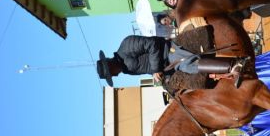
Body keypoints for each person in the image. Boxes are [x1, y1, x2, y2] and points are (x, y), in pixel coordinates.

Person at [96, 35, 242, 87]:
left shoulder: (126, 45)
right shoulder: (127, 71)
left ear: (109, 65)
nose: (115, 76)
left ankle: (233, 65)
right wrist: (160, 77)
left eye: (111, 74)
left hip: (168, 51)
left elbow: (152, 44)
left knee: (186, 65)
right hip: (166, 69)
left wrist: (155, 70)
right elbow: (149, 70)